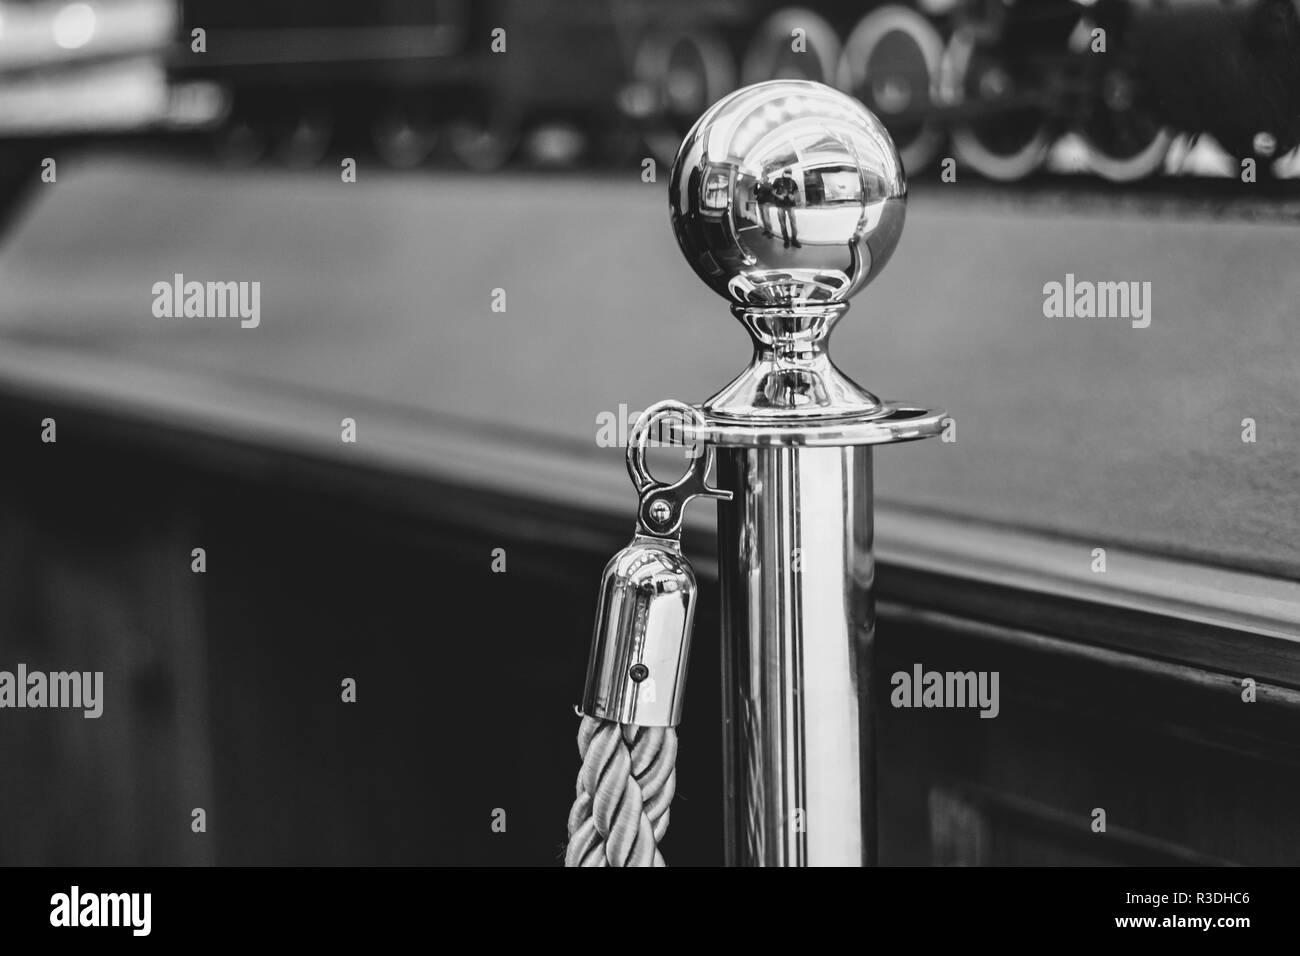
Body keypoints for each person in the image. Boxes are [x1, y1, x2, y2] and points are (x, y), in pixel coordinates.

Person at [769, 168, 801, 248]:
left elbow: (797, 192)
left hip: (791, 205)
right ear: (783, 173)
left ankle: (794, 240)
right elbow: (772, 191)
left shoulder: (793, 182)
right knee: (782, 224)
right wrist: (778, 196)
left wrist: (793, 197)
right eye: (787, 172)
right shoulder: (777, 180)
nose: (788, 174)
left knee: (793, 223)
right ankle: (786, 240)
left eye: (790, 172)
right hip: (780, 205)